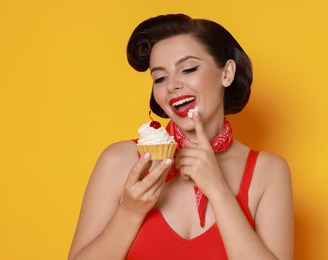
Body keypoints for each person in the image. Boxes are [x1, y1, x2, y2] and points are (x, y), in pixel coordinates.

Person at [68, 13, 293, 260]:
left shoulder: (268, 171)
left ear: (226, 73)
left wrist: (218, 190)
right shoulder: (119, 161)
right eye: (160, 78)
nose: (172, 85)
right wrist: (129, 212)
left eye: (188, 69)